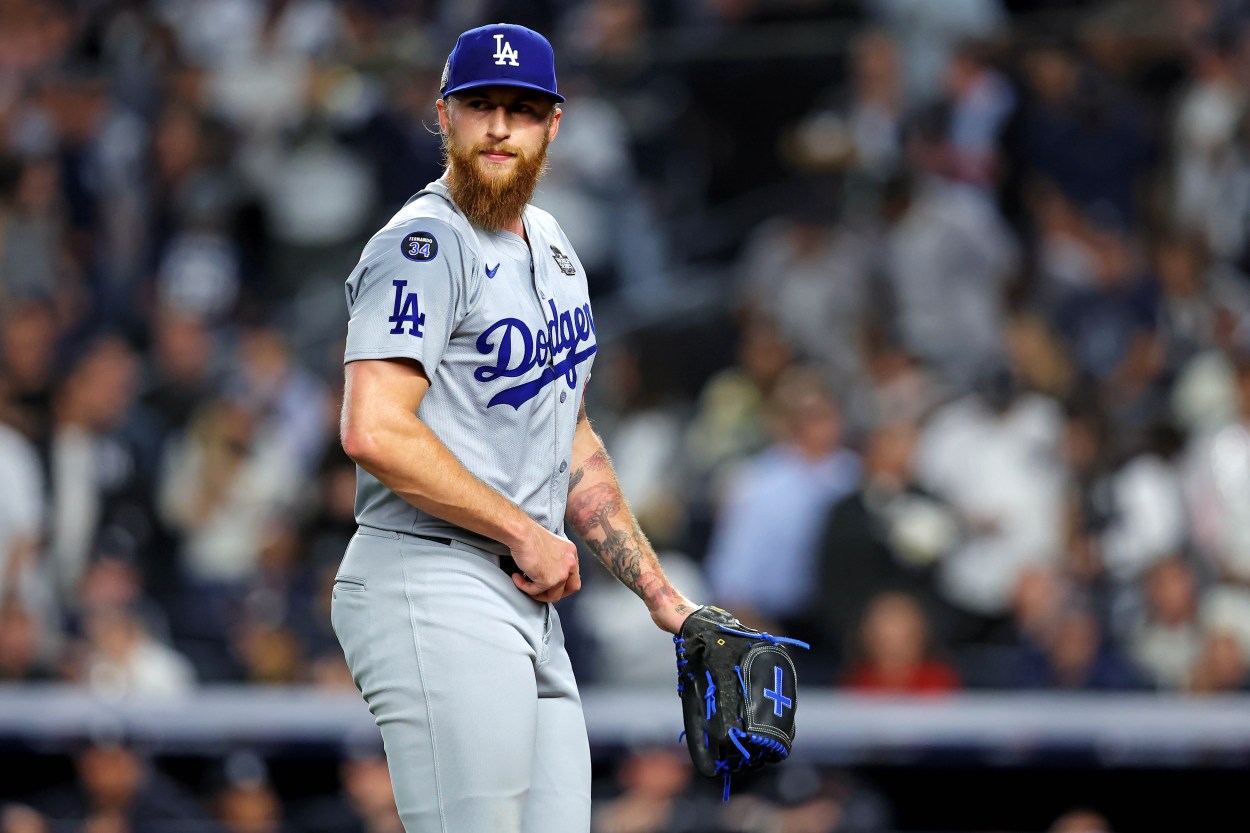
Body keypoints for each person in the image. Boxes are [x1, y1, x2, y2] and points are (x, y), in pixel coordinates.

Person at [331, 24, 698, 833]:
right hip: (429, 575)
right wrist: (521, 532)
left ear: (553, 125)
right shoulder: (422, 244)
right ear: (444, 117)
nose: (500, 126)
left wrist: (664, 598)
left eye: (523, 109)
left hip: (524, 598)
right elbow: (373, 428)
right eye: (481, 105)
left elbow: (571, 437)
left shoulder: (557, 247)